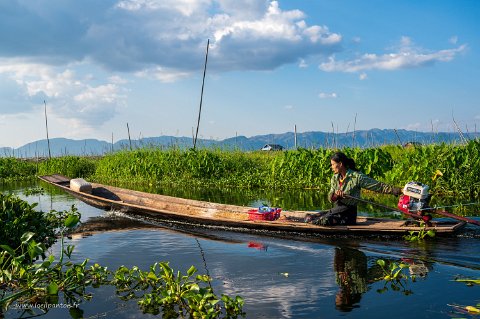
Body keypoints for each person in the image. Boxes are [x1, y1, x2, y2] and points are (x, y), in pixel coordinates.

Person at [306, 152, 402, 226]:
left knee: (323, 221)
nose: (331, 167)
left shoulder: (356, 177)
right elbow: (330, 198)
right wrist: (336, 195)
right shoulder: (334, 178)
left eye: (332, 164)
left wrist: (398, 190)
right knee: (309, 217)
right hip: (336, 210)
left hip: (348, 214)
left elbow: (378, 186)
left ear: (340, 164)